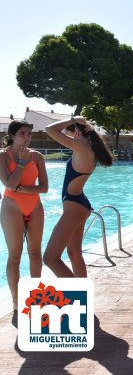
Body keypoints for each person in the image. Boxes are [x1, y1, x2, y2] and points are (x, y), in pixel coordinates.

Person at [44, 116, 113, 277]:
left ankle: (77, 296)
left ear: (75, 131)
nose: (68, 136)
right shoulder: (87, 146)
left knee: (50, 258)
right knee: (74, 253)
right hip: (80, 203)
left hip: (74, 207)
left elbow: (50, 129)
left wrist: (73, 119)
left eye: (70, 132)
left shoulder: (80, 147)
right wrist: (76, 123)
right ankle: (84, 298)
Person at [0, 121, 48, 312]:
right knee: (15, 255)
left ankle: (36, 294)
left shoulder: (36, 156)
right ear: (11, 135)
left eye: (29, 133)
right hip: (12, 207)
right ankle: (16, 300)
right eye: (22, 133)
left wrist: (22, 189)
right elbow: (9, 184)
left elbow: (44, 188)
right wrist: (21, 162)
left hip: (35, 207)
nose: (27, 137)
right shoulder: (3, 156)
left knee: (36, 252)